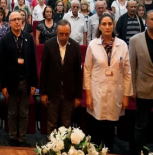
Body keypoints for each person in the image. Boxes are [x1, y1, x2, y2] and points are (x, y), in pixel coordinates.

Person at [84, 13, 131, 151]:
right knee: (96, 132)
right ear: (99, 26)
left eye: (110, 24)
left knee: (110, 132)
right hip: (97, 93)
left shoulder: (122, 45)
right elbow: (87, 71)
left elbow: (127, 73)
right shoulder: (93, 45)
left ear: (114, 25)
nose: (107, 27)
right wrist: (88, 96)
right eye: (104, 24)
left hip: (115, 92)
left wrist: (126, 96)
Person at [0, 11, 37, 146]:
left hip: (26, 81)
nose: (17, 22)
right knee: (12, 111)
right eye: (14, 19)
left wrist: (33, 83)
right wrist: (3, 85)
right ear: (9, 23)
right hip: (11, 82)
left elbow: (33, 62)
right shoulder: (5, 40)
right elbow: (2, 65)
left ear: (23, 22)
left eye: (19, 19)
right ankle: (13, 137)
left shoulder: (28, 38)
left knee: (23, 112)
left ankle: (22, 137)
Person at [40, 19, 82, 135]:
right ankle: (51, 148)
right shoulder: (48, 45)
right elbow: (44, 71)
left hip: (69, 92)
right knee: (51, 123)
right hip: (52, 91)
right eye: (61, 34)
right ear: (56, 33)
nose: (64, 37)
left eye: (67, 34)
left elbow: (78, 73)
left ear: (70, 32)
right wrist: (43, 93)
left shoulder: (75, 46)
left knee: (66, 123)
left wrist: (78, 96)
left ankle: (65, 150)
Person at [129, 10, 153, 154]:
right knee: (141, 125)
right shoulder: (135, 40)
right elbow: (132, 66)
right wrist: (132, 89)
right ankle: (140, 152)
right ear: (145, 21)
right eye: (152, 19)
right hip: (143, 89)